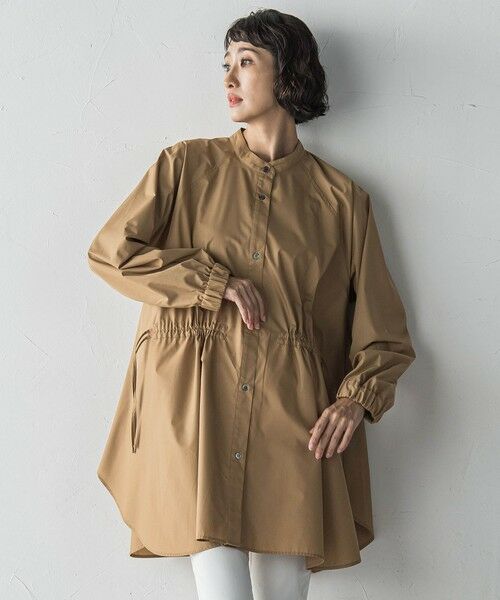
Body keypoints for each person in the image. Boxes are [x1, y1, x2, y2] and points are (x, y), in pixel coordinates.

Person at [87, 8, 416, 600]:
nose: (229, 78)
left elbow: (384, 336)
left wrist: (355, 400)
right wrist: (209, 282)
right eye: (226, 63)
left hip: (295, 420)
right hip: (195, 409)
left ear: (287, 73)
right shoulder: (185, 166)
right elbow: (112, 253)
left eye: (246, 61)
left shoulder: (342, 202)